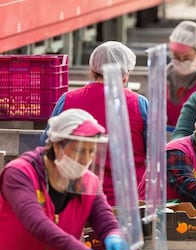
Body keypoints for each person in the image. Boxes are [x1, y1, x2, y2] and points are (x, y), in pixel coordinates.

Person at [0, 109, 127, 250]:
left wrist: (114, 235)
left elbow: (104, 219)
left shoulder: (88, 182)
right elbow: (37, 223)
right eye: (79, 150)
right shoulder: (19, 174)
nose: (85, 159)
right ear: (56, 145)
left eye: (91, 151)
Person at [40, 41, 148, 206]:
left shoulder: (67, 100)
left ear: (91, 71)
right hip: (126, 203)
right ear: (126, 75)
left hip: (75, 197)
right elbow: (157, 154)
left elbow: (45, 144)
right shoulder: (140, 104)